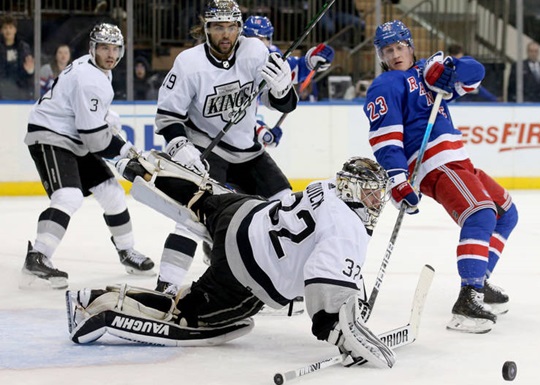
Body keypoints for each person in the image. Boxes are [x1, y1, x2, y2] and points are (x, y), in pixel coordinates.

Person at [66, 155, 396, 369]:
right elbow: (323, 280)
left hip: (242, 211)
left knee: (202, 196)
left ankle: (147, 169)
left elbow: (322, 254)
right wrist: (337, 330)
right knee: (187, 312)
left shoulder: (325, 187)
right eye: (370, 193)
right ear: (352, 190)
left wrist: (352, 296)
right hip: (245, 271)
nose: (376, 201)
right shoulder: (350, 227)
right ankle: (97, 305)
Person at [364, 20, 519, 334]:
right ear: (382, 55)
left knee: (506, 213)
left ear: (410, 46)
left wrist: (446, 67)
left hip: (458, 160)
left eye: (400, 47)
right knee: (480, 214)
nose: (395, 54)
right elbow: (386, 140)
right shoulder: (386, 86)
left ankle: (480, 279)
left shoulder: (426, 72)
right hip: (433, 164)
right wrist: (397, 180)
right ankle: (468, 299)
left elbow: (476, 73)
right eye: (388, 50)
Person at [153, 0, 299, 296]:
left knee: (287, 207)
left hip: (248, 151)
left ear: (239, 29)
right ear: (205, 29)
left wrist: (283, 90)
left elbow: (283, 104)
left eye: (231, 27)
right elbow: (167, 115)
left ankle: (284, 281)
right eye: (218, 27)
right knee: (191, 217)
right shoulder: (189, 63)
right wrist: (181, 144)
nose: (225, 34)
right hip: (208, 149)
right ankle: (165, 287)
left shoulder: (255, 52)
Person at [21, 23, 154, 290]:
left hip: (74, 137)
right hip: (51, 135)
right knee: (68, 196)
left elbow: (92, 120)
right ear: (92, 48)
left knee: (112, 193)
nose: (110, 54)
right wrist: (125, 154)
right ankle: (38, 257)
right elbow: (95, 139)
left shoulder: (97, 70)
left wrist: (117, 138)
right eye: (104, 47)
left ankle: (127, 252)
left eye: (115, 48)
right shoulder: (90, 78)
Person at [242, 15, 335, 139]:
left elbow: (293, 70)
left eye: (263, 39)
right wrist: (260, 130)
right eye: (253, 40)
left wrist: (311, 61)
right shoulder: (235, 60)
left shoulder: (271, 54)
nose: (258, 45)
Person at [0, 14, 34, 100]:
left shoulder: (23, 47)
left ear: (15, 30)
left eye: (10, 27)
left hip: (19, 91)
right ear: (1, 31)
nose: (8, 31)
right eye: (5, 28)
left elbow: (29, 72)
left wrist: (30, 71)